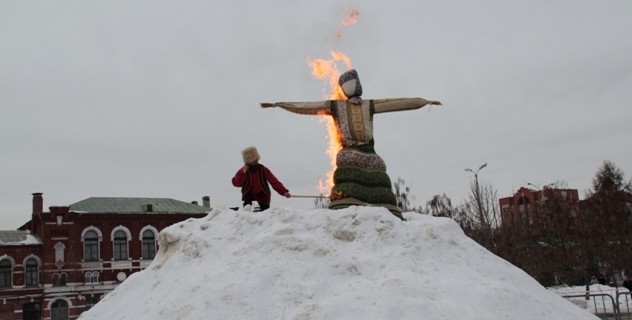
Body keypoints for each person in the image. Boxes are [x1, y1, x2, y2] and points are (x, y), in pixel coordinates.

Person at [261, 69, 440, 219]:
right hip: (349, 151)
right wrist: (281, 104)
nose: (350, 88)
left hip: (370, 152)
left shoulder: (369, 105)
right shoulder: (336, 106)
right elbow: (308, 106)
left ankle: (382, 205)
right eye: (346, 86)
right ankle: (349, 201)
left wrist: (424, 102)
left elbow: (396, 103)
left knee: (379, 169)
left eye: (353, 84)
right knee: (346, 164)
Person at [231, 146, 291, 211]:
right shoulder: (243, 172)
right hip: (249, 198)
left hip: (263, 198)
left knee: (261, 216)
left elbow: (274, 181)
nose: (256, 161)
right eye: (254, 160)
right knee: (251, 214)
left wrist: (284, 192)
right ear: (248, 161)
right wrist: (242, 172)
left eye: (256, 159)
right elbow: (237, 183)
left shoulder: (263, 170)